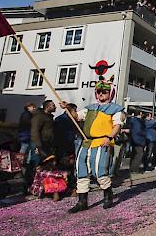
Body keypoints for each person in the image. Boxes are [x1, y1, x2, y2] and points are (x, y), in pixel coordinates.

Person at [68, 77, 125, 213]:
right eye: (99, 91)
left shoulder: (115, 109)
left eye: (104, 92)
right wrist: (68, 108)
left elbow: (117, 125)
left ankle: (108, 195)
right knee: (81, 171)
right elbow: (76, 117)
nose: (101, 94)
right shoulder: (90, 108)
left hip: (102, 142)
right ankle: (82, 201)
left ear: (110, 93)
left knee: (100, 171)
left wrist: (110, 137)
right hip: (86, 142)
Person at [27, 100, 56, 193]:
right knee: (37, 164)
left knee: (44, 165)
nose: (55, 107)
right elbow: (35, 131)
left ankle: (42, 186)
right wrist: (38, 146)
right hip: (38, 143)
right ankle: (31, 187)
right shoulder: (39, 117)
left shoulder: (49, 117)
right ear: (47, 107)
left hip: (47, 144)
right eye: (53, 105)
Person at [127, 109, 147, 175]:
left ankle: (131, 168)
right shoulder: (138, 121)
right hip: (139, 140)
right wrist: (145, 133)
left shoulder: (132, 120)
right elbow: (138, 130)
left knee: (134, 154)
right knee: (139, 154)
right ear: (140, 113)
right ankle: (134, 169)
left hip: (134, 139)